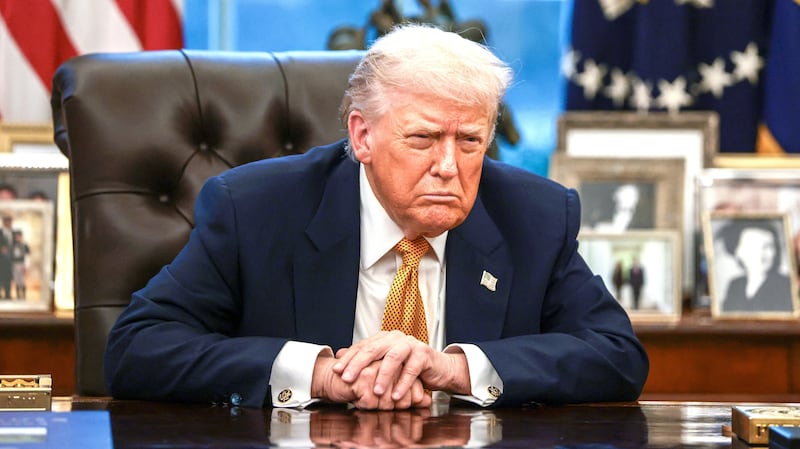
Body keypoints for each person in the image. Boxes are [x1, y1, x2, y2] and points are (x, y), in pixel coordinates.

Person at [104, 24, 648, 410]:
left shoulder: (535, 215)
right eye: (423, 138)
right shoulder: (254, 208)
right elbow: (138, 347)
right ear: (362, 136)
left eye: (470, 141)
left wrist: (453, 369)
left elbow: (618, 356)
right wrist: (319, 374)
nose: (448, 166)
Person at [718, 220, 794, 312]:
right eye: (752, 246)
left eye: (767, 246)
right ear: (737, 251)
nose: (760, 253)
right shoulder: (735, 285)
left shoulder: (786, 285)